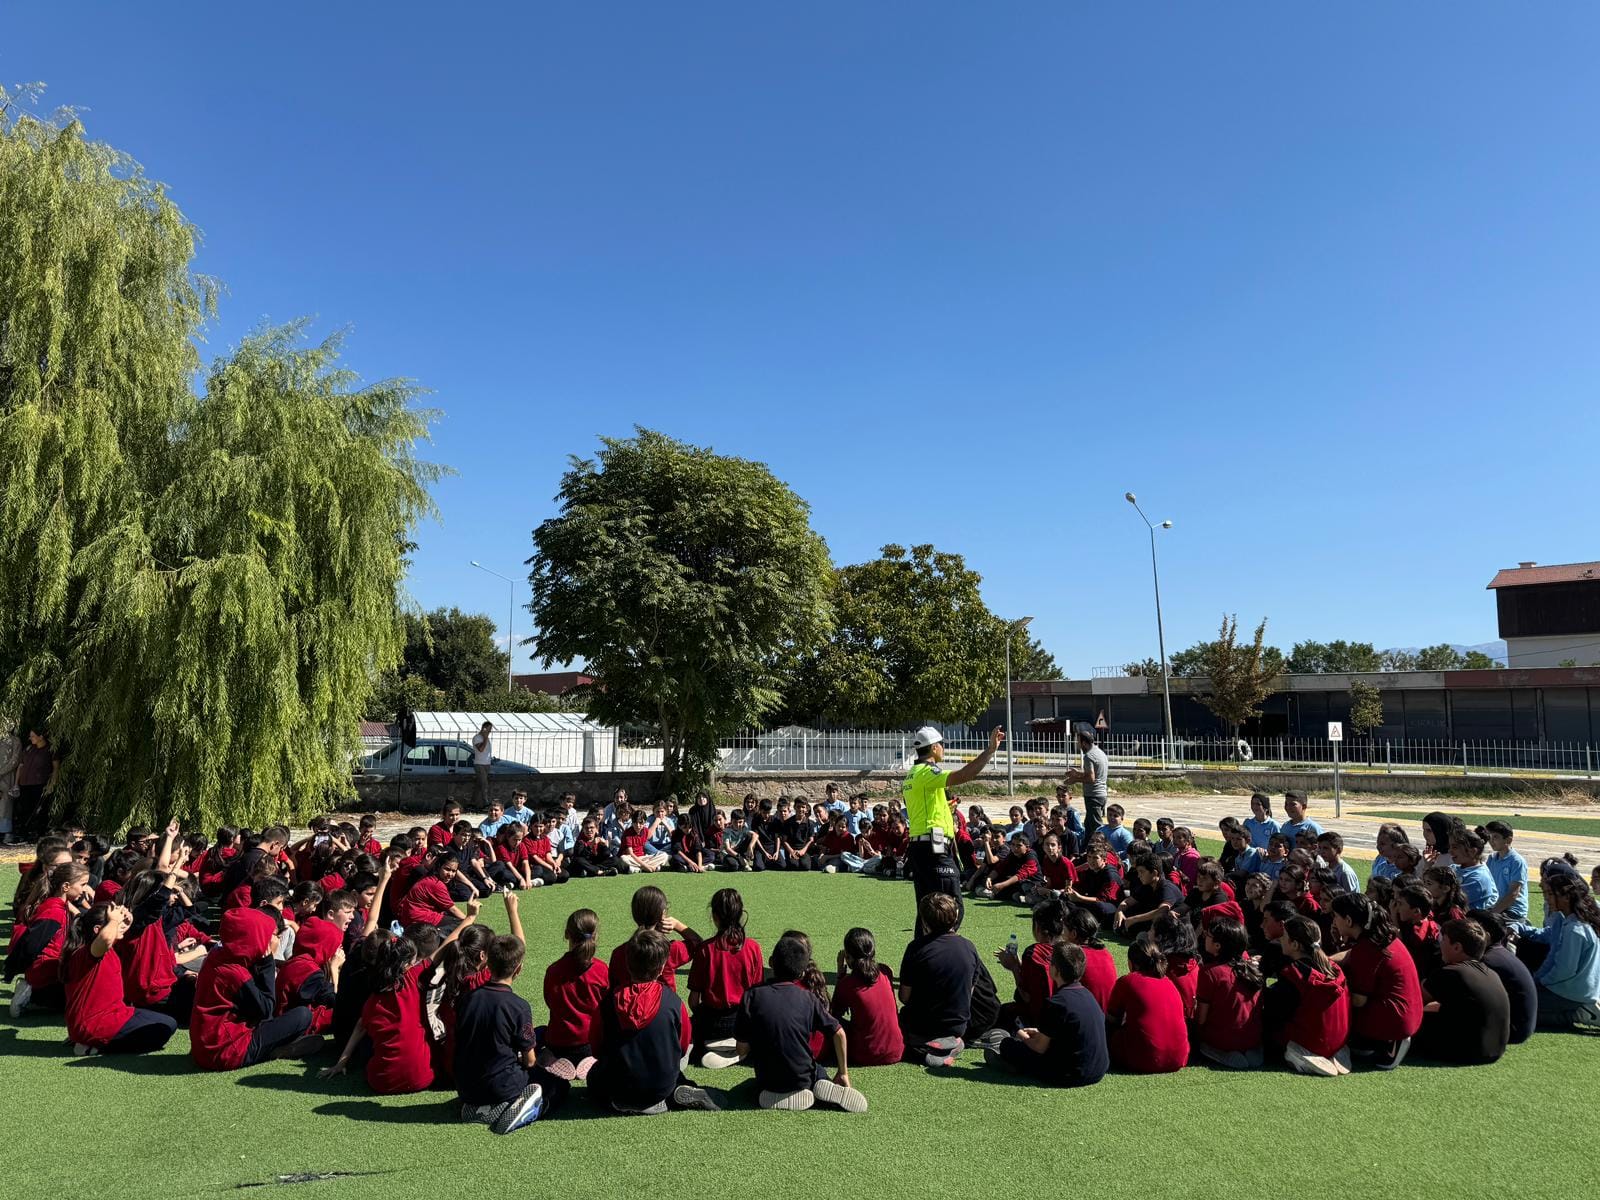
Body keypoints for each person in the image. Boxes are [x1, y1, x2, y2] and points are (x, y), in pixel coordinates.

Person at [588, 930, 719, 1115]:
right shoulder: (673, 1002)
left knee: (594, 1077)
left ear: (628, 963)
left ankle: (633, 1099)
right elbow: (682, 1046)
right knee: (672, 1066)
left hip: (618, 1088)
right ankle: (675, 1089)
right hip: (661, 1084)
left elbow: (596, 1047)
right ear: (660, 967)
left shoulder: (608, 1002)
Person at [735, 936, 868, 1112]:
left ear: (771, 962)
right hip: (803, 1075)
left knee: (749, 1086)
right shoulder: (808, 998)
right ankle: (820, 1083)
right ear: (802, 973)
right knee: (818, 1071)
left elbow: (741, 1049)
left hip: (767, 1077)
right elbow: (839, 1033)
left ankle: (769, 1091)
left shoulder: (751, 996)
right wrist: (843, 1072)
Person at [457, 934, 566, 1134]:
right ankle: (529, 1108)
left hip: (467, 1088)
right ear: (518, 969)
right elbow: (530, 1061)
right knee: (557, 1086)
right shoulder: (518, 1006)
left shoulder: (468, 998)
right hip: (501, 1085)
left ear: (487, 962)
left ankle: (483, 1109)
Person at [190, 907, 322, 1069]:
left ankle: (276, 1046)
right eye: (268, 936)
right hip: (224, 1051)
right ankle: (273, 1050)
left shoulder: (219, 957)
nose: (273, 940)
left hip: (206, 1046)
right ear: (253, 937)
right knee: (303, 1015)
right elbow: (266, 1009)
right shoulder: (234, 973)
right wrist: (268, 962)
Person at [900, 725, 1005, 927]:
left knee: (928, 910)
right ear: (933, 748)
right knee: (952, 908)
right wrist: (990, 750)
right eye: (942, 744)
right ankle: (946, 950)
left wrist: (943, 807)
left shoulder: (911, 774)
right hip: (934, 845)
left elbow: (917, 806)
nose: (943, 748)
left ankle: (922, 954)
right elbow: (965, 775)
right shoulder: (928, 771)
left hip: (920, 845)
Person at [984, 942, 1109, 1087]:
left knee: (1008, 1045)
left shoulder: (1057, 1002)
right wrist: (1040, 1032)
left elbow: (1039, 1047)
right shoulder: (1087, 994)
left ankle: (1015, 1064)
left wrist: (1021, 1036)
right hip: (1098, 1070)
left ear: (1056, 971)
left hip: (1069, 1074)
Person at [62, 902, 179, 1056]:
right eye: (117, 923)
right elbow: (104, 940)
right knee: (162, 1030)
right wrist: (114, 921)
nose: (121, 925)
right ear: (98, 930)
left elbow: (115, 936)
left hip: (116, 1013)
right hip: (95, 1023)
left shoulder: (104, 947)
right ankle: (93, 1044)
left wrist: (125, 921)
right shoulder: (87, 953)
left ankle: (88, 1039)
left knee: (168, 1023)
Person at [898, 892, 993, 1065]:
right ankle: (950, 1043)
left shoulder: (916, 948)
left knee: (897, 1030)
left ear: (925, 922)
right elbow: (969, 992)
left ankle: (929, 1053)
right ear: (955, 917)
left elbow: (904, 997)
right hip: (959, 1024)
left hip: (923, 1025)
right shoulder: (968, 946)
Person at [1329, 893, 1420, 1070]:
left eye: (1336, 916)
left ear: (1348, 920)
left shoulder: (1368, 948)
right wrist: (1325, 961)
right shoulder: (1382, 937)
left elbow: (1358, 1000)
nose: (1333, 921)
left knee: (1337, 1002)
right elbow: (1349, 955)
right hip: (1407, 1011)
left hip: (1395, 1019)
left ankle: (1388, 1042)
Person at [1416, 919, 1511, 1064]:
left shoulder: (1450, 973)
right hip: (1495, 1050)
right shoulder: (1490, 972)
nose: (1440, 943)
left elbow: (1413, 1003)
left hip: (1464, 1051)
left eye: (1444, 939)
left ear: (1457, 947)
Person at [1264, 916, 1350, 1077]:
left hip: (1309, 1041)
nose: (1280, 940)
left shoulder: (1295, 975)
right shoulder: (1334, 969)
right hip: (1338, 1041)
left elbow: (1275, 1011)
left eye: (1283, 937)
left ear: (1295, 944)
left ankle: (1301, 1055)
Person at [689, 888, 765, 1067]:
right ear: (740, 914)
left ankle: (719, 1047)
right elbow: (757, 996)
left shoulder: (705, 949)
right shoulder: (753, 948)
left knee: (685, 1032)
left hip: (712, 1023)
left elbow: (694, 1000)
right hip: (743, 1021)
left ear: (714, 916)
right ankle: (741, 1049)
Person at [1522, 869, 1600, 1028]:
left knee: (1519, 1010)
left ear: (1566, 897)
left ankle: (1580, 1014)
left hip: (1570, 993)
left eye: (1551, 894)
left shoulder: (1574, 929)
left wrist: (1540, 982)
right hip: (1575, 990)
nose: (1547, 898)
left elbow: (1565, 970)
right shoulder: (1573, 922)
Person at [1106, 934, 1188, 1073]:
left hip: (1144, 1059)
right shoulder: (1168, 981)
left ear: (1132, 963)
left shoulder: (1128, 981)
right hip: (1179, 1057)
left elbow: (1112, 1019)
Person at [540, 908, 607, 1077]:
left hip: (558, 1042)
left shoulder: (553, 971)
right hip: (591, 1041)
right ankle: (590, 1060)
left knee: (539, 1033)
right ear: (595, 936)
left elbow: (550, 1001)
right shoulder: (601, 970)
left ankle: (553, 1058)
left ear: (567, 934)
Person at [1192, 917, 1264, 1068]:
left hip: (1222, 1039)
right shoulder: (1252, 970)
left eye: (1208, 936)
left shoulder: (1210, 972)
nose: (1204, 937)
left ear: (1217, 945)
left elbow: (1201, 1019)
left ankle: (1220, 1053)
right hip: (1252, 1037)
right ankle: (1247, 1051)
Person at [829, 927, 903, 1066]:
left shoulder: (848, 983)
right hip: (896, 1051)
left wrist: (840, 975)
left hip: (865, 1055)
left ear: (848, 957)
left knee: (832, 1023)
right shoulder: (885, 971)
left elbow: (833, 1013)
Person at [607, 885, 701, 991]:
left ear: (634, 914)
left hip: (628, 1005)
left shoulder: (619, 953)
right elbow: (699, 944)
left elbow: (613, 987)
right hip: (664, 1004)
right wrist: (677, 925)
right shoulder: (671, 950)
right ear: (663, 913)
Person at [1469, 909, 1537, 1045]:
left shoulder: (1488, 961)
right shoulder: (1499, 953)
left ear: (1484, 934)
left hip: (1511, 1030)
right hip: (1520, 1027)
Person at [13, 729, 60, 841]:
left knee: (39, 810)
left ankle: (38, 834)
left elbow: (56, 769)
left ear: (41, 736)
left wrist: (51, 784)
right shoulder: (29, 749)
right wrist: (16, 783)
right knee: (24, 809)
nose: (30, 738)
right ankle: (24, 834)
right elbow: (21, 766)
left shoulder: (51, 750)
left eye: (33, 736)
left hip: (39, 784)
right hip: (25, 784)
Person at [1063, 726, 1109, 833]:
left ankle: (1101, 847)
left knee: (1095, 826)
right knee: (1088, 825)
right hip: (1101, 794)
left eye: (1078, 742)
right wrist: (1078, 773)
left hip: (1094, 796)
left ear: (1084, 743)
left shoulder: (1089, 756)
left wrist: (1075, 779)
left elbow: (1091, 778)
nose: (1077, 744)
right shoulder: (1100, 753)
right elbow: (1094, 774)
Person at [1483, 821, 1530, 926]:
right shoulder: (1492, 859)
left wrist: (1493, 913)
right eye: (1489, 837)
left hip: (1513, 911)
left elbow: (1513, 894)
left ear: (1508, 840)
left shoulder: (1516, 861)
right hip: (1497, 907)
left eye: (1495, 837)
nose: (1491, 841)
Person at [471, 721, 494, 808]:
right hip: (479, 764)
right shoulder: (477, 738)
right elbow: (481, 749)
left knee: (479, 784)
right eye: (489, 729)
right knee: (484, 784)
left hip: (486, 764)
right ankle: (486, 803)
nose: (489, 732)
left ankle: (472, 803)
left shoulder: (486, 738)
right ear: (484, 728)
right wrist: (484, 738)